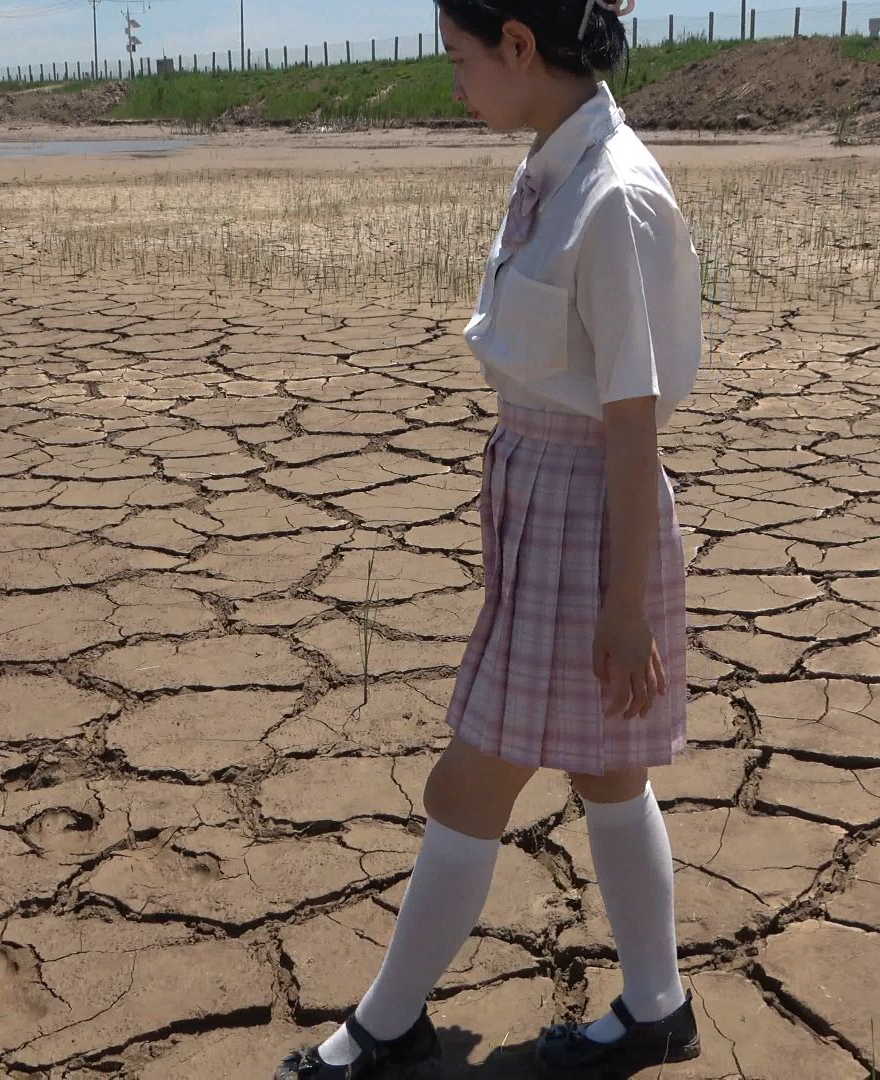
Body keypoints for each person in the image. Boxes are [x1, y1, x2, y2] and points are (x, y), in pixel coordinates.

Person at [275, 0, 702, 1075]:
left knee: (469, 784)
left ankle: (385, 1025)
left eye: (461, 57)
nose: (452, 79)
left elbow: (632, 412)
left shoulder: (614, 193)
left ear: (520, 44)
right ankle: (658, 1004)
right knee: (609, 774)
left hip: (588, 518)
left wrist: (622, 604)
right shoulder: (552, 165)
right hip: (545, 497)